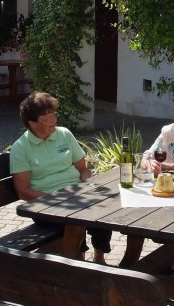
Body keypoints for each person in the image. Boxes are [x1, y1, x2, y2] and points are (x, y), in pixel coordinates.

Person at [10, 92, 112, 264]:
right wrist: (56, 199)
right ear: (32, 124)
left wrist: (90, 185)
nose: (53, 122)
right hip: (45, 204)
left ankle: (99, 257)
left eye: (53, 116)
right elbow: (23, 191)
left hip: (75, 196)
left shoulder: (64, 134)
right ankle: (77, 264)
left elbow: (83, 169)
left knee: (104, 211)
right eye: (46, 119)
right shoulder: (21, 148)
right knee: (76, 222)